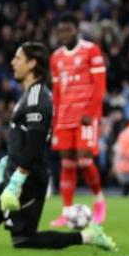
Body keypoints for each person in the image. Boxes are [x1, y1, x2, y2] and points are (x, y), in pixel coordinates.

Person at [0, 43, 117, 251]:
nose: (12, 63)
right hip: (20, 167)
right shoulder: (29, 95)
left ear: (32, 64)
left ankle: (87, 236)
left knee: (23, 239)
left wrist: (17, 179)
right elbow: (22, 138)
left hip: (31, 176)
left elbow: (35, 142)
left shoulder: (37, 99)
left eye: (18, 59)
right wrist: (5, 163)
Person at [48, 13, 108, 226]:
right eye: (60, 31)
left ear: (76, 30)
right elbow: (56, 91)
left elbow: (100, 86)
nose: (64, 34)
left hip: (85, 115)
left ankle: (99, 201)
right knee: (67, 163)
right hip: (64, 116)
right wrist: (55, 120)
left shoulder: (91, 51)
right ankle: (66, 212)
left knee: (84, 160)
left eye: (68, 30)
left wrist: (91, 112)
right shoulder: (55, 57)